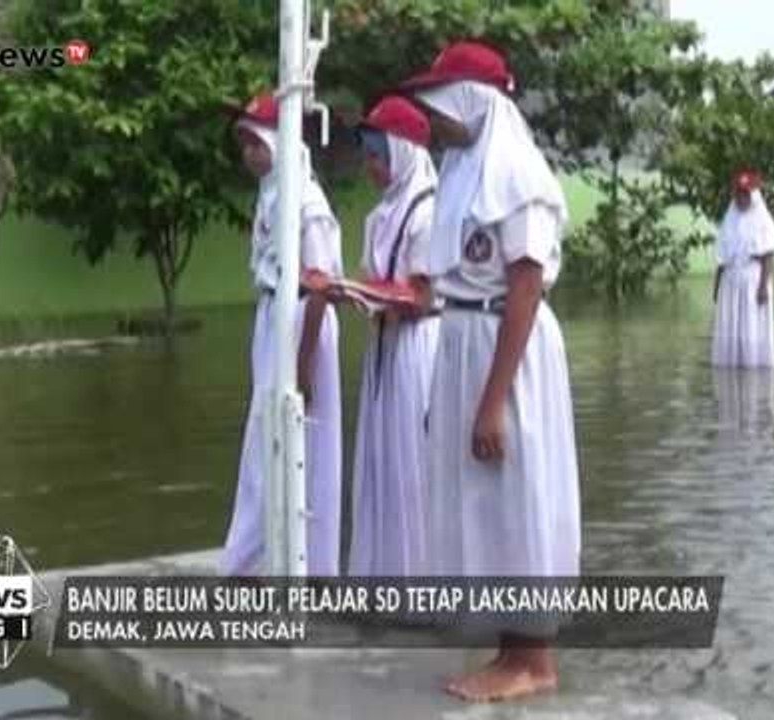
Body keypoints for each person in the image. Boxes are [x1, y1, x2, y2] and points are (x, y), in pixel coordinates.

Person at [397, 41, 581, 701]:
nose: (435, 121)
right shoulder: (462, 171)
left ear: (472, 99)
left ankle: (534, 659)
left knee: (516, 494)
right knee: (484, 502)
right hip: (466, 338)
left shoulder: (518, 177)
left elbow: (524, 288)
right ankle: (510, 649)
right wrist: (450, 395)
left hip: (510, 345)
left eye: (441, 104)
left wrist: (491, 401)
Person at [221, 92, 343, 576]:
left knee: (299, 439)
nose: (250, 153)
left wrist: (305, 359)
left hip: (299, 320)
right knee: (264, 438)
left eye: (258, 142)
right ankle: (260, 556)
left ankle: (300, 562)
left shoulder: (306, 200)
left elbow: (320, 283)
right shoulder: (273, 191)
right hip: (273, 316)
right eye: (244, 143)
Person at [346, 96, 439, 576]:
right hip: (384, 347)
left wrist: (363, 291)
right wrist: (354, 291)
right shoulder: (380, 215)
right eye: (367, 156)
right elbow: (374, 279)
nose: (370, 167)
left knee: (412, 463)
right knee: (382, 459)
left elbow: (421, 296)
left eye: (377, 156)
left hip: (415, 348)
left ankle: (421, 575)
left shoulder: (428, 210)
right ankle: (384, 572)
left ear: (401, 153)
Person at [712, 169, 774, 368]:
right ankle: (731, 370)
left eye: (746, 194)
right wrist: (716, 288)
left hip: (753, 281)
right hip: (730, 282)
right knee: (730, 328)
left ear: (753, 195)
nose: (742, 198)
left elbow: (768, 254)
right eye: (739, 193)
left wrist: (762, 287)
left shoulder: (762, 219)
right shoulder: (730, 218)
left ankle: (753, 369)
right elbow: (721, 259)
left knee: (752, 326)